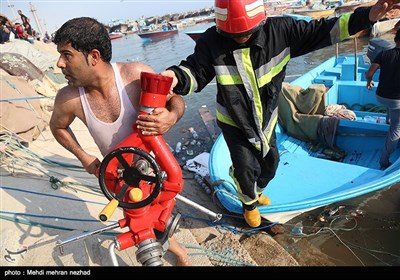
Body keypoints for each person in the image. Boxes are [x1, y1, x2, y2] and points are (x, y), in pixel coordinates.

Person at [161, 0, 400, 228]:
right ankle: (250, 204)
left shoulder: (282, 31)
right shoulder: (212, 41)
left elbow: (326, 29)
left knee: (270, 165)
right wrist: (174, 78)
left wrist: (368, 16)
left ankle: (255, 189)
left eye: (246, 33)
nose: (241, 38)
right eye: (233, 36)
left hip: (266, 118)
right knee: (246, 169)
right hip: (233, 120)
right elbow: (194, 71)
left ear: (260, 23)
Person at [49, 17, 190, 266]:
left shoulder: (135, 75)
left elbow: (175, 99)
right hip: (120, 182)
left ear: (93, 56)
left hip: (159, 174)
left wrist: (171, 116)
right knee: (143, 228)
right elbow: (58, 127)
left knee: (159, 222)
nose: (59, 63)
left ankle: (179, 254)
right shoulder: (68, 98)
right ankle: (178, 254)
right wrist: (84, 157)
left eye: (66, 55)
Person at [366, 28, 400, 170]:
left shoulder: (383, 54)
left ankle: (388, 119)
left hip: (380, 96)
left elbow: (369, 74)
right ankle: (384, 161)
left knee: (391, 103)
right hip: (396, 100)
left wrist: (369, 82)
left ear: (395, 39)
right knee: (396, 130)